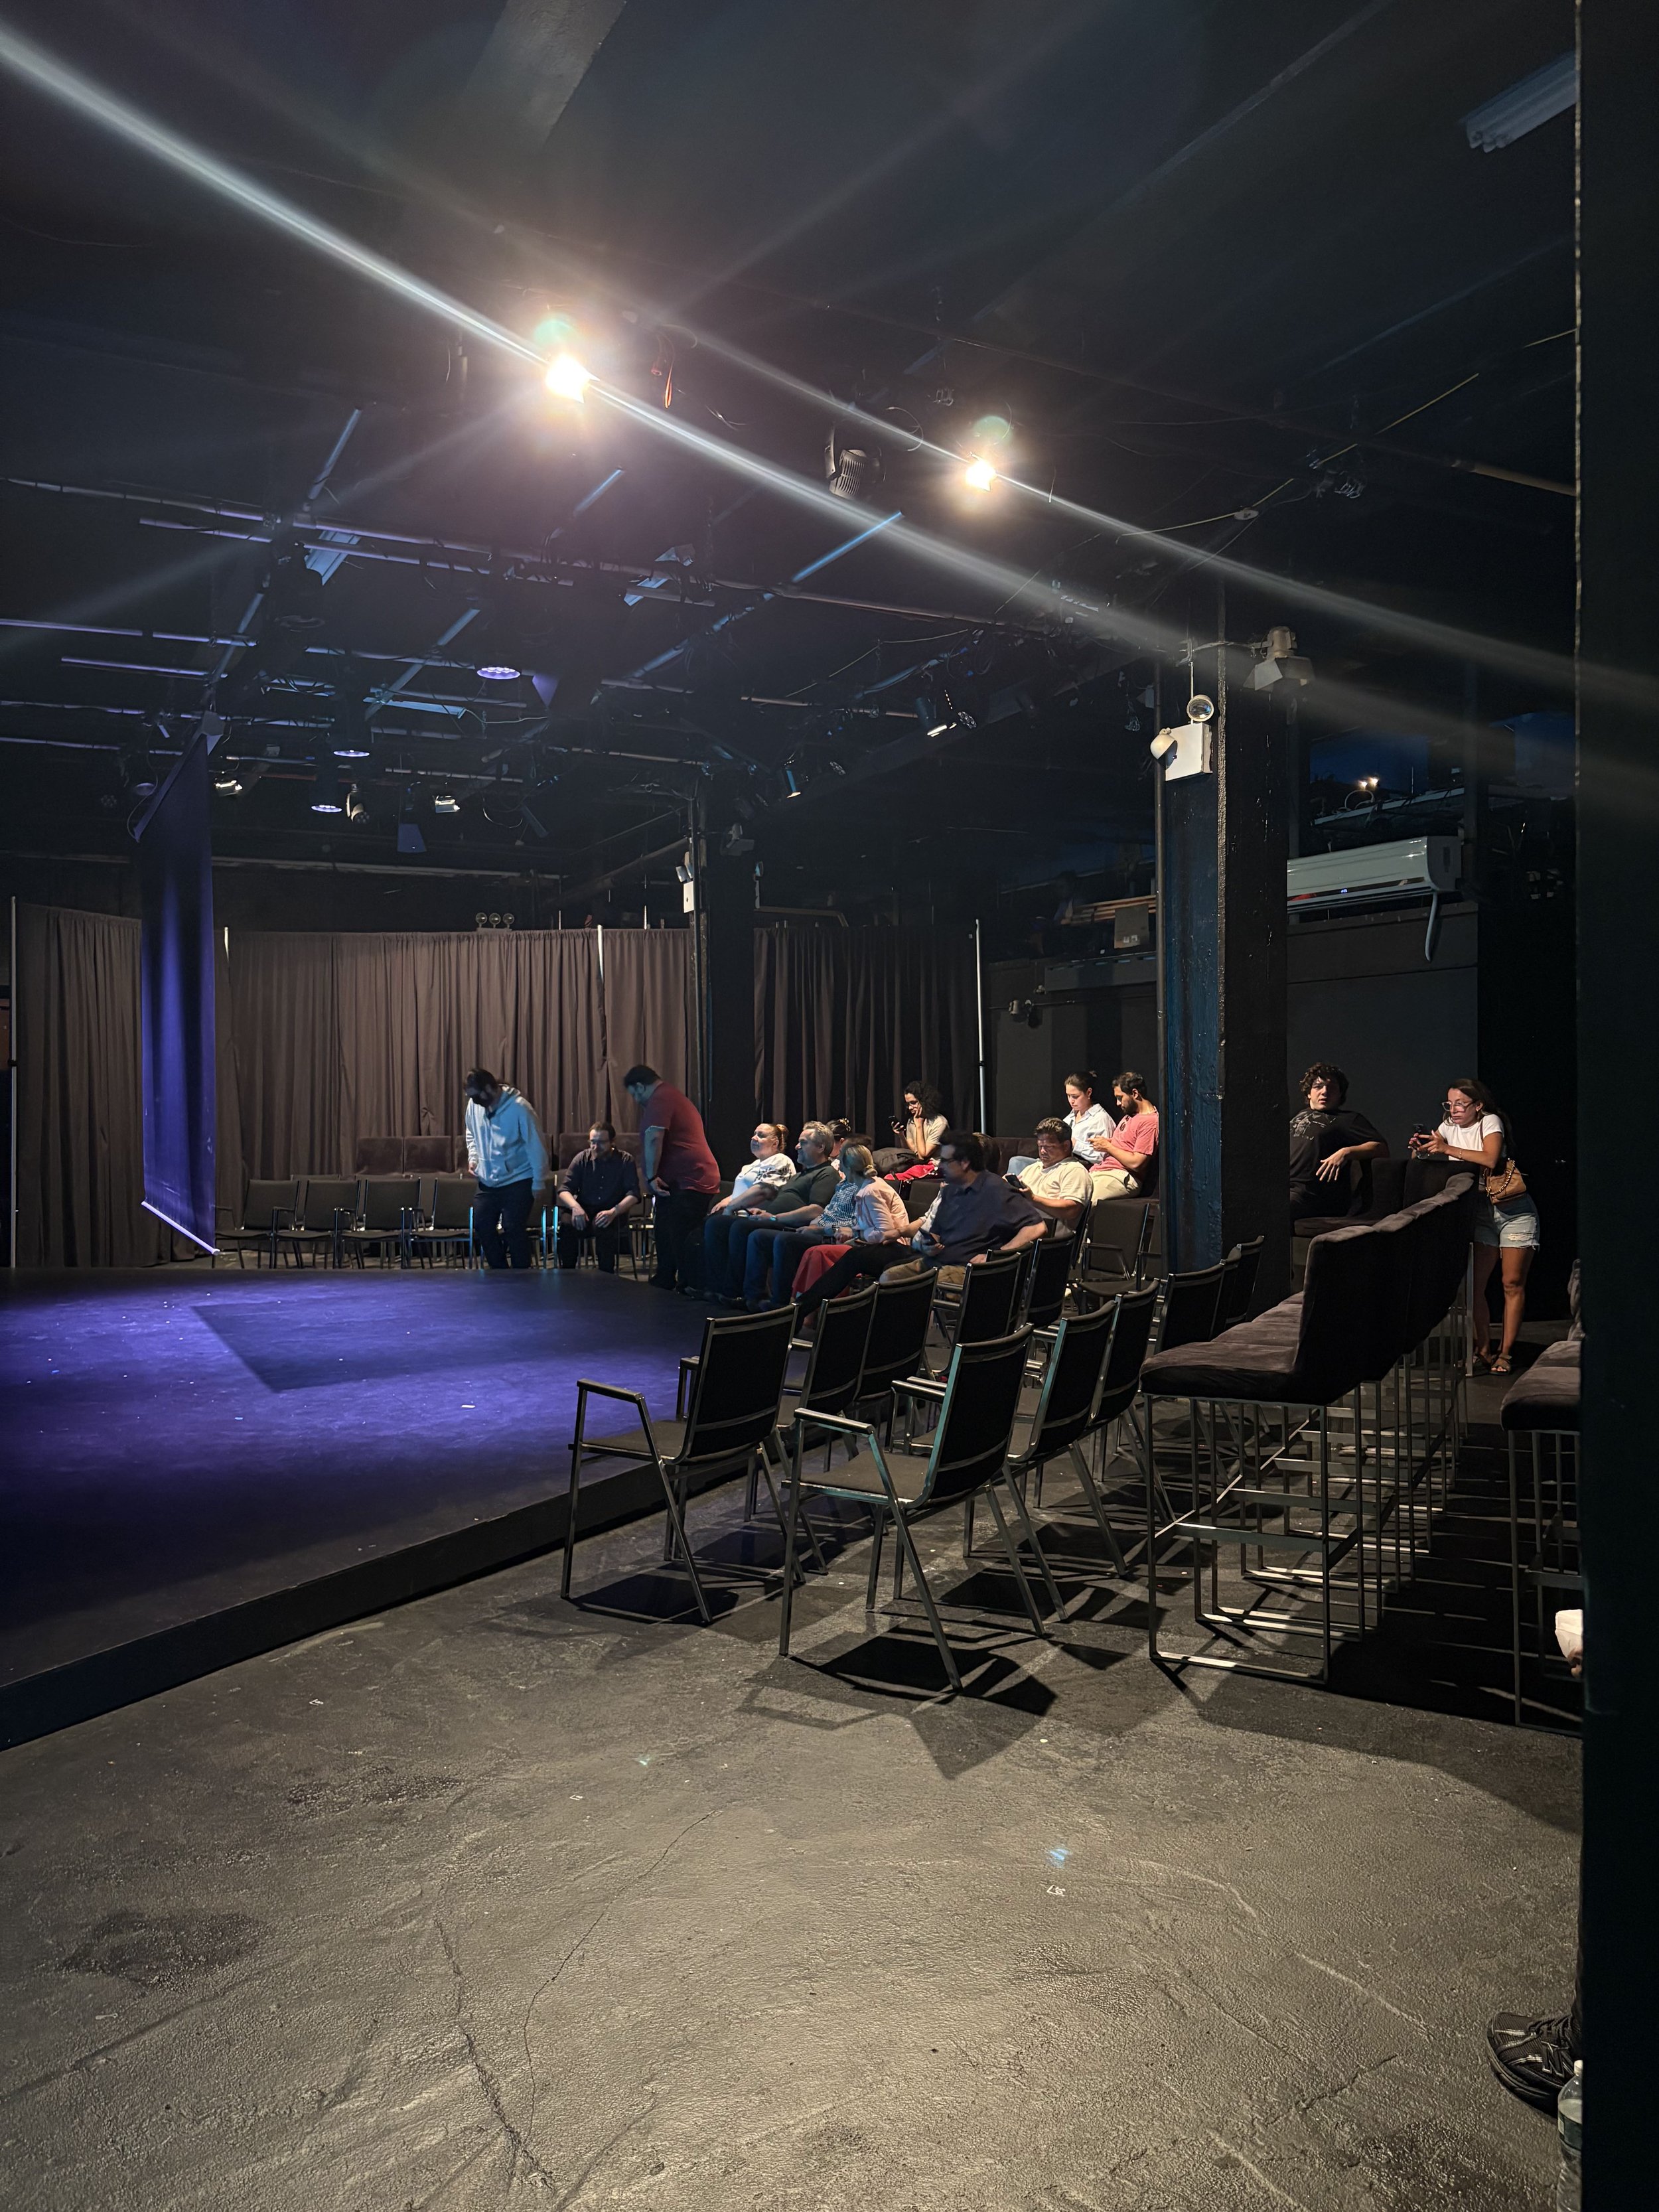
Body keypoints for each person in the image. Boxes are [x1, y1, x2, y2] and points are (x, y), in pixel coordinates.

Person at [794, 1129, 1046, 1314]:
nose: (940, 1165)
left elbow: (1037, 1227)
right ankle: (805, 1313)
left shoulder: (995, 1189)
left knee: (890, 1278)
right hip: (936, 1259)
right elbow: (933, 1231)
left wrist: (996, 1256)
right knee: (882, 1271)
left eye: (946, 1161)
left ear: (965, 1163)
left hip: (965, 1269)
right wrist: (925, 1242)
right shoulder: (952, 1190)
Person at [1411, 1076, 1540, 1372]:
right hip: (1481, 1211)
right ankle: (1482, 1350)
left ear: (1478, 1105)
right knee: (1474, 1287)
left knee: (1511, 1283)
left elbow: (1491, 1159)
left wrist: (1446, 1149)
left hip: (1514, 1212)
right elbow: (1431, 1158)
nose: (1454, 1110)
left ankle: (1505, 1353)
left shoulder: (1490, 1122)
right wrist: (1421, 1149)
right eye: (1449, 1104)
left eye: (1461, 1103)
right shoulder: (1448, 1127)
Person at [699, 1122, 840, 1304]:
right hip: (773, 1219)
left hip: (791, 1225)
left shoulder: (826, 1173)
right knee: (717, 1224)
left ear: (821, 1147)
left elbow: (816, 1210)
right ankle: (716, 1287)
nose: (797, 1147)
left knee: (741, 1227)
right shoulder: (800, 1175)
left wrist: (774, 1217)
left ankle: (737, 1293)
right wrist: (763, 1211)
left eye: (803, 1142)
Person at [770, 1142, 910, 1306]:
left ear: (848, 1168)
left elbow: (885, 1232)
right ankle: (798, 1307)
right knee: (813, 1252)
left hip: (888, 1247)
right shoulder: (861, 1186)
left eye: (841, 1164)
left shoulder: (871, 1191)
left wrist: (855, 1233)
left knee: (818, 1252)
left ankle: (806, 1309)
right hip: (866, 1242)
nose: (839, 1169)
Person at [624, 1063, 720, 1293]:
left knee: (680, 1234)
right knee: (666, 1229)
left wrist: (651, 1176)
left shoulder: (661, 1099)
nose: (636, 1100)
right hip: (683, 1180)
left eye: (635, 1094)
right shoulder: (671, 1096)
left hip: (689, 1179)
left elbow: (654, 1137)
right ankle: (667, 1278)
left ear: (640, 1086)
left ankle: (689, 1286)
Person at [463, 1065, 549, 1271]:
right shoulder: (474, 1106)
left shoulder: (520, 1109)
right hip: (488, 1180)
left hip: (518, 1179)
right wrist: (474, 1157)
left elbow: (535, 1145)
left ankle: (522, 1275)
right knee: (482, 1225)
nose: (474, 1101)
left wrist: (539, 1181)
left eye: (476, 1096)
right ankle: (500, 1272)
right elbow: (471, 1133)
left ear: (489, 1089)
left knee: (513, 1228)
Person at [1288, 1063, 1389, 1222]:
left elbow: (1381, 1148)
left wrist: (1345, 1152)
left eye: (1332, 1088)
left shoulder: (1348, 1119)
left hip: (1308, 1194)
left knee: (1271, 1212)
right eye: (1318, 1087)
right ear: (1309, 1093)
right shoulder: (1299, 1116)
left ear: (1340, 1094)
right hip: (1283, 1188)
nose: (1325, 1092)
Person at [553, 1122, 640, 1273]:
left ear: (612, 1142)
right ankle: (567, 1274)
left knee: (604, 1226)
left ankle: (605, 1275)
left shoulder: (625, 1161)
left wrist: (614, 1212)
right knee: (567, 1225)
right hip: (585, 1209)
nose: (595, 1147)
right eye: (593, 1142)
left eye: (601, 1142)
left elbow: (633, 1194)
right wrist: (575, 1207)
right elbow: (564, 1190)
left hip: (612, 1210)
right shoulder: (582, 1158)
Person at [1006, 1072, 1116, 1181]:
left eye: (1075, 1096)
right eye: (1068, 1096)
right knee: (1016, 1162)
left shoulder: (1100, 1119)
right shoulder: (1071, 1116)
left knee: (1018, 1163)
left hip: (1075, 1168)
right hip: (1056, 1162)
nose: (1071, 1101)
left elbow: (1103, 1157)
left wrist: (1076, 1145)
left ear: (1089, 1092)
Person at [1088, 1072, 1160, 1200]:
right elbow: (1127, 1144)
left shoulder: (1149, 1122)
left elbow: (1136, 1163)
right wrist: (1108, 1142)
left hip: (1122, 1176)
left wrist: (1108, 1147)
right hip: (1102, 1171)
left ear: (1135, 1093)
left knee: (1082, 1200)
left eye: (1120, 1098)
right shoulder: (1131, 1115)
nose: (1117, 1103)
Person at [1015, 1118, 1093, 1232]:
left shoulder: (1074, 1170)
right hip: (1020, 1226)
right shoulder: (1032, 1169)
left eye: (1048, 1147)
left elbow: (1071, 1210)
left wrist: (1033, 1199)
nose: (1042, 1151)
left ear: (1066, 1146)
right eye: (1040, 1146)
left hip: (1048, 1236)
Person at [875, 1079, 948, 1178]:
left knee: (891, 1178)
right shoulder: (912, 1121)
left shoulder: (939, 1123)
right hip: (916, 1164)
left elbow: (923, 1155)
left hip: (934, 1166)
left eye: (913, 1103)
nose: (910, 1108)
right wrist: (901, 1135)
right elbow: (910, 1152)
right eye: (908, 1104)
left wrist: (919, 1126)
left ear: (924, 1101)